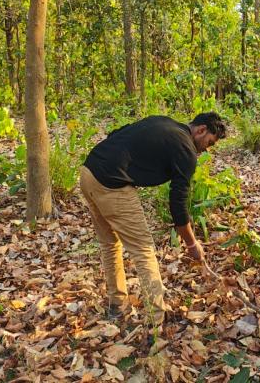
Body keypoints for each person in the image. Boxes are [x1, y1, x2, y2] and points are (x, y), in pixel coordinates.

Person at [79, 112, 227, 326]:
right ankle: (155, 320)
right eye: (209, 143)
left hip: (89, 171)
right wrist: (192, 244)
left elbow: (116, 133)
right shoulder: (186, 150)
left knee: (109, 244)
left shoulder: (164, 122)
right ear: (201, 130)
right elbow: (178, 204)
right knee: (143, 249)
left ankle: (116, 306)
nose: (206, 149)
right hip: (112, 183)